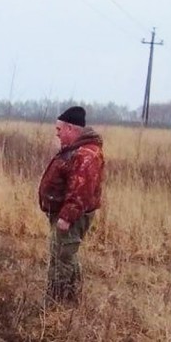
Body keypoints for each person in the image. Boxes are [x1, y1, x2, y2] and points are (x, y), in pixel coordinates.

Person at [37, 106, 105, 304]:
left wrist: (67, 216)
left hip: (71, 216)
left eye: (59, 130)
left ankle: (56, 304)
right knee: (67, 255)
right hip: (65, 213)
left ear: (70, 129)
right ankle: (71, 300)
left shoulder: (85, 155)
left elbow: (81, 189)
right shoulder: (78, 150)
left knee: (62, 258)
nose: (57, 134)